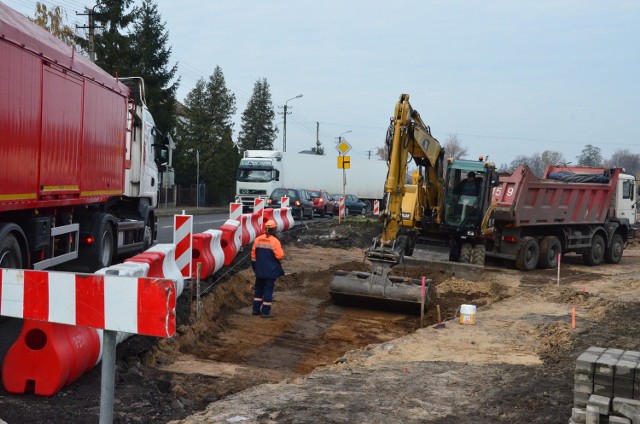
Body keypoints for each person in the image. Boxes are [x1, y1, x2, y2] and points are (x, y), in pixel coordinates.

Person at [251, 219, 285, 318]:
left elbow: (253, 256)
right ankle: (265, 312)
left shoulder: (258, 239)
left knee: (258, 289)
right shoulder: (275, 241)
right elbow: (280, 256)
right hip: (270, 271)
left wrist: (256, 268)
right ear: (274, 229)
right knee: (268, 290)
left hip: (259, 271)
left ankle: (255, 309)